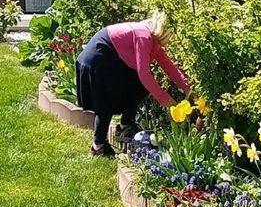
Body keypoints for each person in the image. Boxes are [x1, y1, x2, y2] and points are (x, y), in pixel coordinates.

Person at [75, 11, 189, 157]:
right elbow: (144, 74)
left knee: (137, 87)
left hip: (109, 58)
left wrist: (186, 87)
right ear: (164, 32)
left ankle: (125, 126)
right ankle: (98, 145)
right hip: (97, 58)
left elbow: (168, 65)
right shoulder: (144, 36)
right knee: (106, 101)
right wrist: (166, 100)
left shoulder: (153, 40)